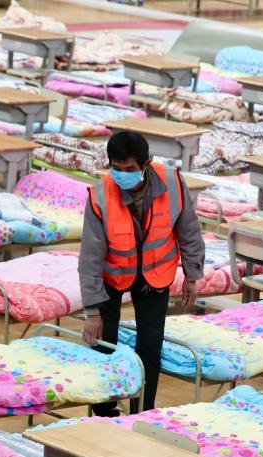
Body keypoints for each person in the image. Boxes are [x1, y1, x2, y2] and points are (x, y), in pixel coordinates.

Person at [78, 131, 205, 416]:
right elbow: (90, 257)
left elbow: (188, 229)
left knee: (149, 347)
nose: (122, 175)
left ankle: (142, 412)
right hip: (113, 274)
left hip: (154, 272)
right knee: (102, 344)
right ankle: (104, 413)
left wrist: (192, 275)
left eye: (130, 170)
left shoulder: (172, 183)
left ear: (146, 164)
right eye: (117, 169)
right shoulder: (100, 195)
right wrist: (92, 311)